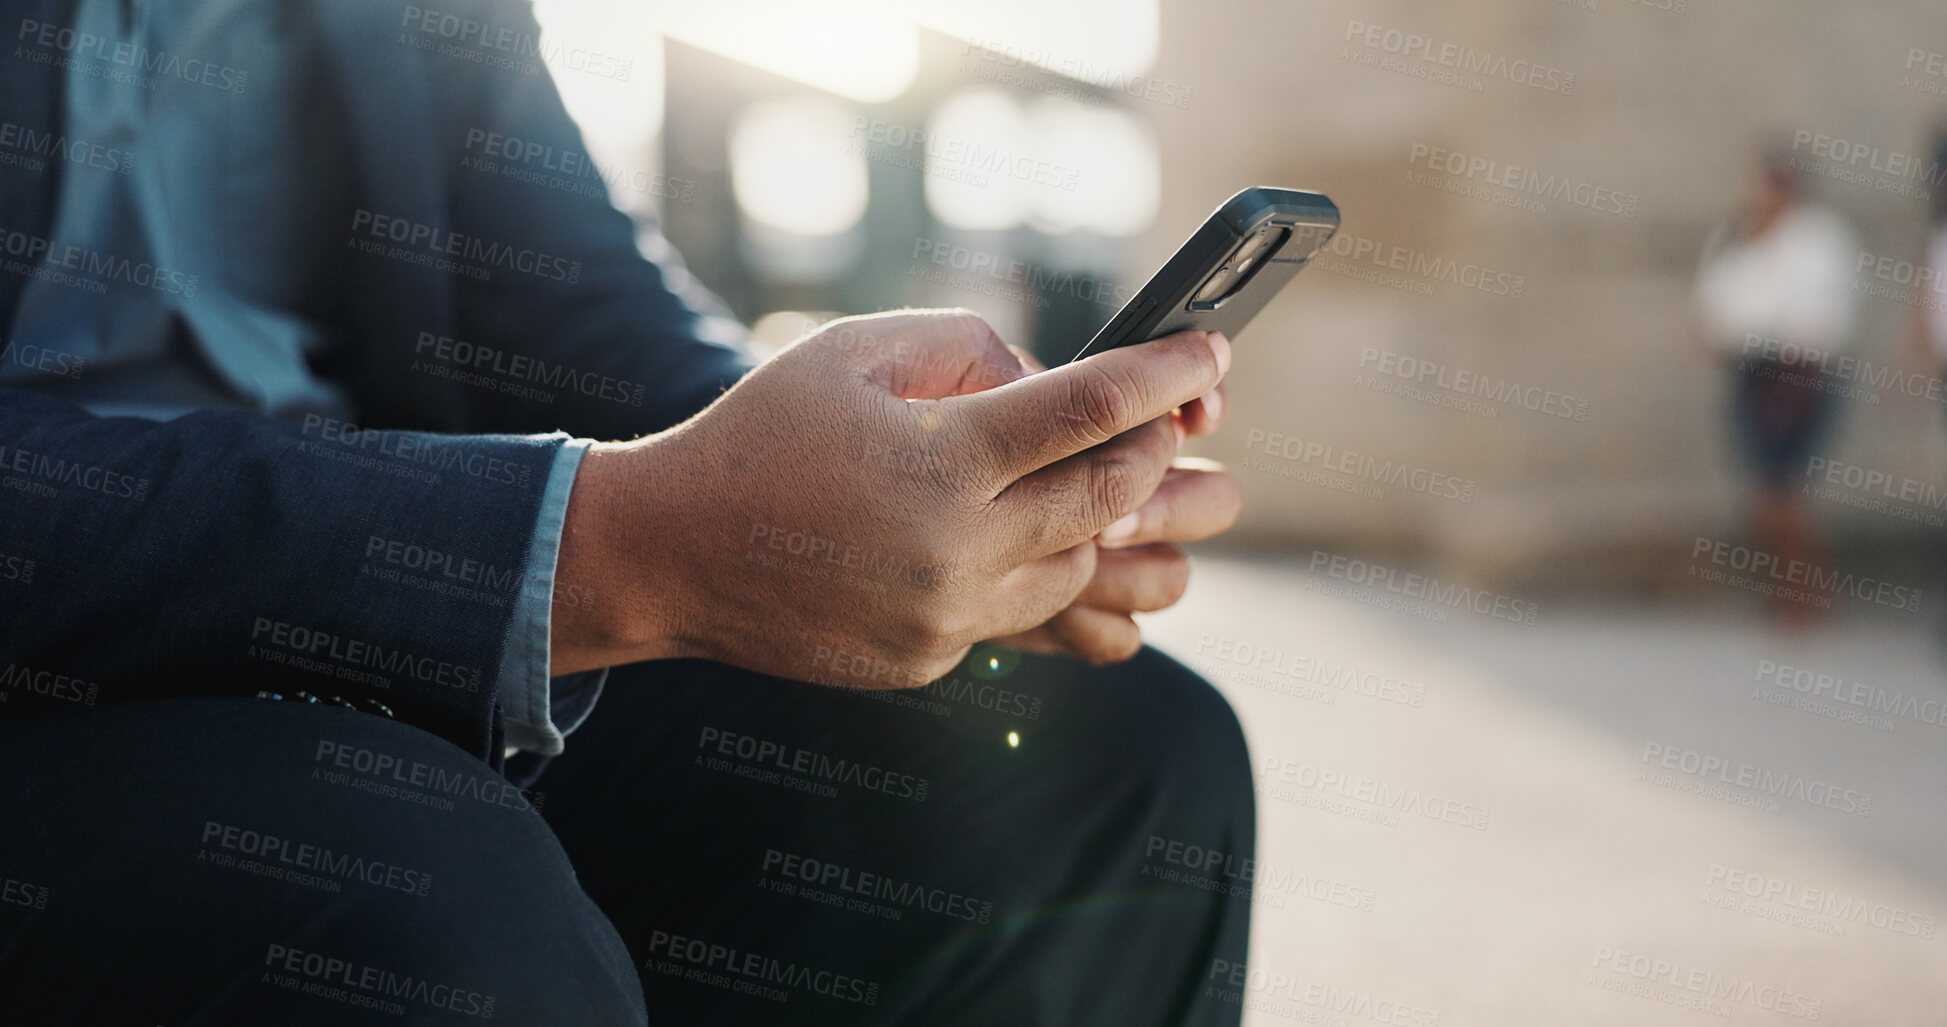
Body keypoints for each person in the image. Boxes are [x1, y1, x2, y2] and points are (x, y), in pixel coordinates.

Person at [0, 0, 1255, 1023]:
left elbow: (582, 300)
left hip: (377, 594)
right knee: (423, 914)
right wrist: (610, 546)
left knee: (1109, 760)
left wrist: (906, 483)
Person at [1693, 146, 1860, 625]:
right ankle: (1785, 590)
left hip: (1797, 375)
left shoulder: (1820, 240)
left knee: (1784, 492)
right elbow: (1713, 310)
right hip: (1748, 369)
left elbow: (1821, 317)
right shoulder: (1734, 238)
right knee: (1762, 491)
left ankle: (1807, 593)